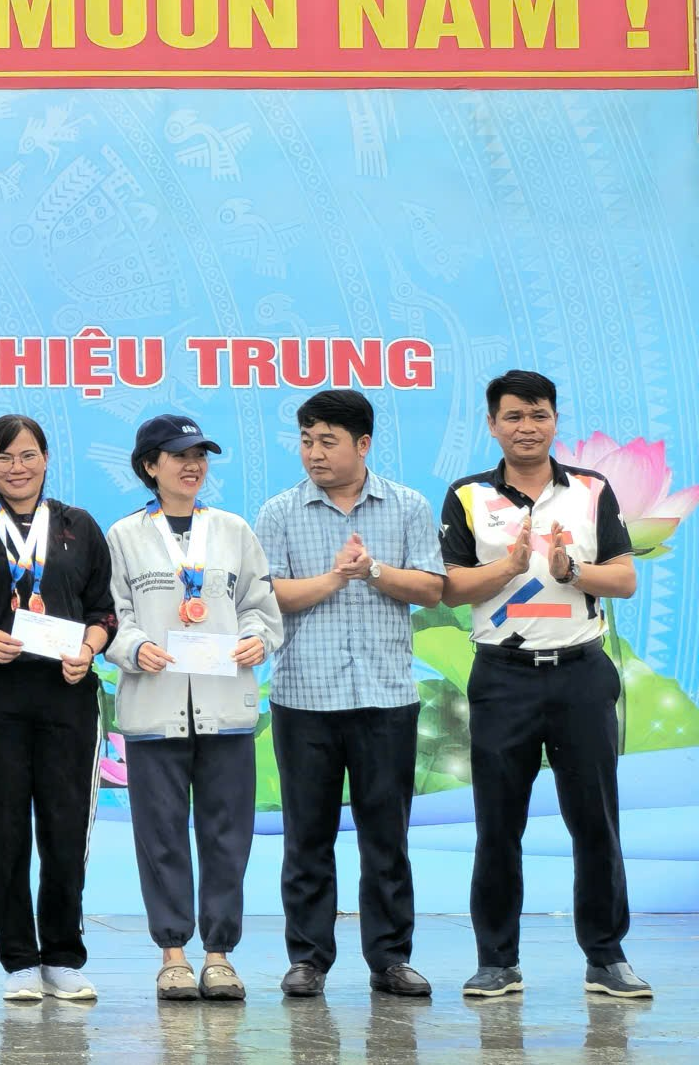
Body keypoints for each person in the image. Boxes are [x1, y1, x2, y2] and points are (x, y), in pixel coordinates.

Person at [440, 371, 650, 999]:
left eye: (538, 415)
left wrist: (572, 569)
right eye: (512, 416)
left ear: (555, 421)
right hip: (503, 678)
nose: (526, 427)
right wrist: (507, 567)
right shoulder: (468, 496)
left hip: (581, 675)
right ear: (492, 425)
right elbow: (451, 587)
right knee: (498, 826)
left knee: (596, 822)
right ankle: (496, 960)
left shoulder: (591, 489)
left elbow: (625, 579)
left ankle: (606, 958)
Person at [255, 390, 444, 1000]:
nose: (314, 453)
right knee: (306, 837)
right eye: (306, 440)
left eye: (327, 441)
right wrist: (337, 577)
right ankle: (308, 958)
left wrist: (374, 572)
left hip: (385, 697)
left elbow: (432, 588)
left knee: (386, 837)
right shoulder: (279, 512)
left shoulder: (407, 505)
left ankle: (390, 959)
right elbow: (269, 596)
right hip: (304, 697)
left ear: (363, 445)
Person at [103, 414, 282, 1003]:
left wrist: (257, 637)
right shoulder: (124, 536)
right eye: (179, 455)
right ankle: (173, 954)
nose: (193, 465)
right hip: (154, 711)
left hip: (225, 708)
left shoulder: (232, 530)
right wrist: (133, 646)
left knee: (227, 837)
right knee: (161, 837)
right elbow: (113, 614)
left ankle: (220, 955)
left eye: (200, 455)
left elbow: (259, 605)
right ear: (150, 466)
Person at [0, 414, 116, 1004]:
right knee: (4, 829)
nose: (17, 468)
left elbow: (104, 611)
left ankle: (63, 955)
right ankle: (19, 960)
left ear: (46, 459)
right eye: (4, 457)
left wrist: (88, 649)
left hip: (68, 692)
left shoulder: (80, 526)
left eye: (28, 455)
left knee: (65, 826)